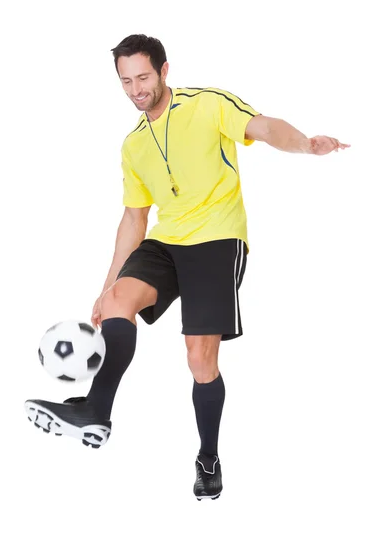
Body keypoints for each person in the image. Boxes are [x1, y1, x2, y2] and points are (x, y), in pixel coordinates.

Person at [25, 34, 350, 501]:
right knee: (119, 299)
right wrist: (105, 286)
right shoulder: (133, 144)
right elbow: (135, 217)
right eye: (125, 81)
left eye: (142, 77)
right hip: (166, 241)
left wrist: (305, 144)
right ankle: (95, 410)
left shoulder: (207, 104)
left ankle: (208, 457)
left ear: (163, 71)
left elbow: (264, 127)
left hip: (217, 238)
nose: (136, 89)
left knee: (200, 359)